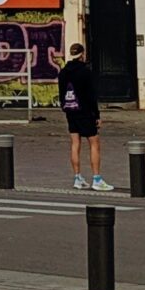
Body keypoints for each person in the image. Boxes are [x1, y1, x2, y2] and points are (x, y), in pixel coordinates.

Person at [58, 43, 111, 191]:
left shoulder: (63, 72)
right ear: (82, 54)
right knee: (94, 143)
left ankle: (77, 177)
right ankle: (97, 179)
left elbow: (62, 94)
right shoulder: (85, 72)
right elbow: (91, 95)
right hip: (85, 112)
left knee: (75, 144)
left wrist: (65, 107)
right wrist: (97, 115)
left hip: (71, 111)